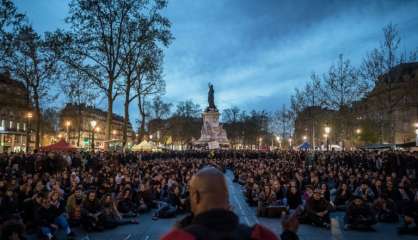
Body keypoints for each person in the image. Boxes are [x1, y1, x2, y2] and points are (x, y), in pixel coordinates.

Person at [161, 166, 279, 240]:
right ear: (227, 195)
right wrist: (289, 233)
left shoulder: (180, 237)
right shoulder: (260, 235)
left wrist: (179, 232)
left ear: (196, 197)